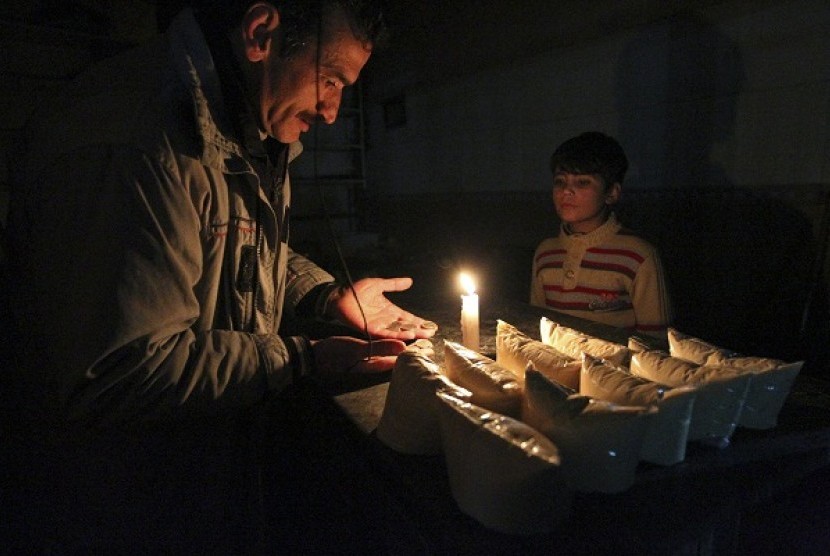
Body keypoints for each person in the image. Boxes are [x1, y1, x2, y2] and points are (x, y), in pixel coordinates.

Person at [3, 0, 437, 425]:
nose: (330, 112)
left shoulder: (244, 125)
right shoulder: (133, 147)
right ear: (261, 34)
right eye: (330, 80)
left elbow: (229, 248)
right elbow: (123, 372)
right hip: (120, 487)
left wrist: (324, 296)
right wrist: (303, 358)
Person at [530, 131, 672, 338]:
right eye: (560, 181)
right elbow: (537, 325)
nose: (567, 191)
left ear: (611, 193)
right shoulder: (546, 253)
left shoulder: (637, 256)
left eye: (582, 182)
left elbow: (657, 341)